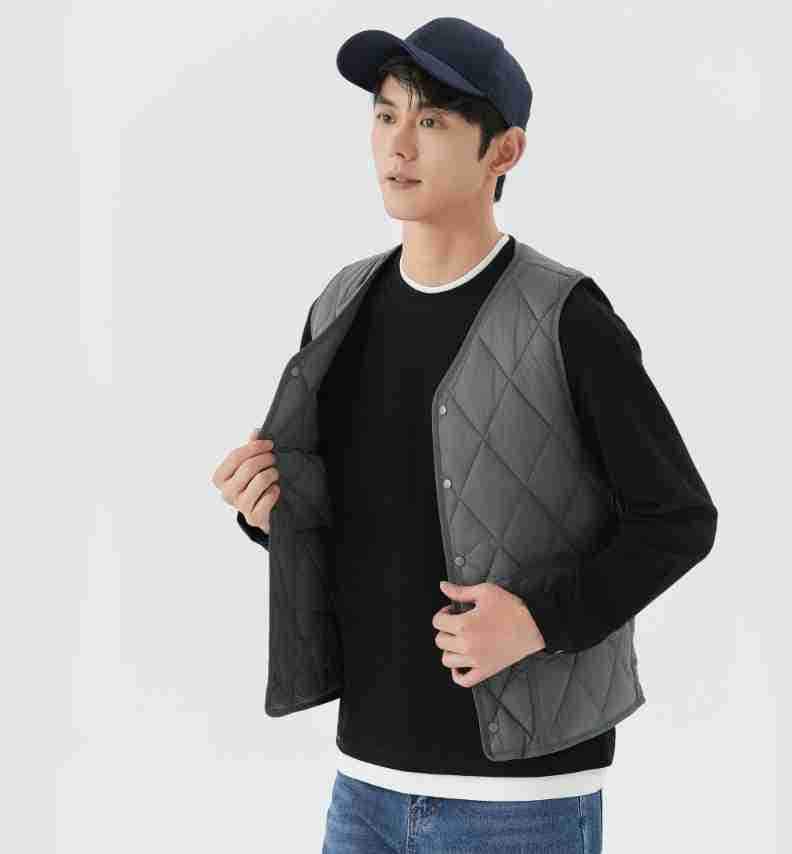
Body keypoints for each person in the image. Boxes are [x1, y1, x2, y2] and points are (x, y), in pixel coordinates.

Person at [212, 17, 718, 853]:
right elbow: (356, 516)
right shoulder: (340, 305)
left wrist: (538, 621)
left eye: (433, 121)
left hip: (521, 801)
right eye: (385, 115)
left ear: (503, 152)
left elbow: (680, 520)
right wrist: (265, 509)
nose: (398, 144)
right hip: (364, 782)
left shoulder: (567, 317)